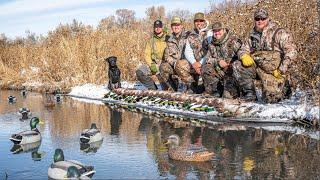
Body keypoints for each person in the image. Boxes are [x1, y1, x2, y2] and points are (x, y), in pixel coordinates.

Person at [233, 8, 297, 102]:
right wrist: (243, 55)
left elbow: (292, 52)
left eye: (263, 18)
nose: (260, 21)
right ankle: (250, 93)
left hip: (276, 72)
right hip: (259, 68)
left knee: (271, 100)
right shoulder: (251, 35)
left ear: (268, 18)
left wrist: (282, 70)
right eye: (257, 19)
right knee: (237, 65)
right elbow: (243, 49)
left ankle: (285, 87)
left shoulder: (280, 32)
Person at [160, 16, 202, 93]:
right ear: (171, 27)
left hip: (190, 64)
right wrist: (175, 63)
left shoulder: (190, 35)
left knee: (181, 65)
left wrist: (196, 62)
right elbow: (167, 56)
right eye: (173, 25)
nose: (176, 27)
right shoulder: (169, 40)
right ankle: (173, 90)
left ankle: (192, 86)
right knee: (163, 67)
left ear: (182, 26)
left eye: (178, 25)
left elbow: (198, 50)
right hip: (178, 65)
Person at [201, 22, 242, 98]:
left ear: (223, 30)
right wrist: (218, 61)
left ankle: (238, 90)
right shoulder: (211, 44)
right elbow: (208, 59)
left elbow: (241, 54)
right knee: (205, 68)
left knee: (228, 97)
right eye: (215, 31)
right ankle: (215, 91)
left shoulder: (234, 41)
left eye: (219, 30)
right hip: (219, 71)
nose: (217, 33)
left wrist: (229, 64)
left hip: (232, 73)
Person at [136, 20, 170, 90]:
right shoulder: (150, 41)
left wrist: (168, 34)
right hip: (155, 64)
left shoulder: (168, 38)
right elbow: (146, 54)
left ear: (162, 28)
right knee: (139, 72)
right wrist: (151, 64)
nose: (157, 28)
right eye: (156, 27)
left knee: (166, 89)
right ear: (154, 28)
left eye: (159, 27)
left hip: (165, 65)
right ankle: (153, 88)